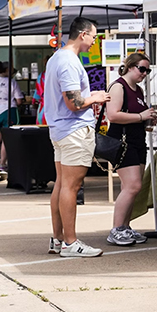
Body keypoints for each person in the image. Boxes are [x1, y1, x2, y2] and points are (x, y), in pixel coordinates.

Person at [44, 17, 110, 258]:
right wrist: (96, 97)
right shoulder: (69, 62)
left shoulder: (57, 58)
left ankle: (59, 240)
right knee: (71, 187)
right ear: (83, 34)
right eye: (94, 36)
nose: (95, 41)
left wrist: (88, 97)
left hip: (61, 129)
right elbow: (74, 103)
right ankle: (70, 242)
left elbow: (69, 99)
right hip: (73, 130)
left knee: (62, 184)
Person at [106, 52, 157, 246]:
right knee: (133, 185)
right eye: (141, 69)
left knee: (131, 187)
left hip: (136, 139)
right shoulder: (119, 86)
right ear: (130, 67)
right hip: (122, 140)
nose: (144, 73)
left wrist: (147, 119)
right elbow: (113, 115)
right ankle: (117, 229)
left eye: (147, 70)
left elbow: (137, 115)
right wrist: (141, 117)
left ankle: (124, 227)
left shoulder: (138, 90)